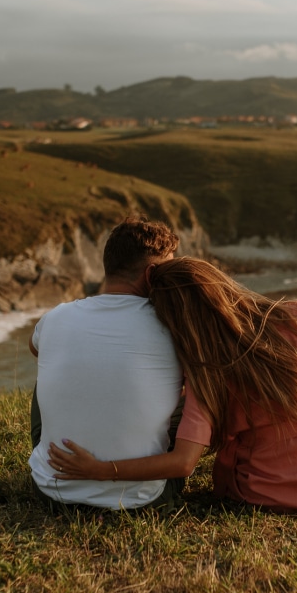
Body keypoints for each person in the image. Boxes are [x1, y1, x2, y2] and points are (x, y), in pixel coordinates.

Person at [47, 257, 297, 512]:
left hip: (266, 493)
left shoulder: (205, 371)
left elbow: (183, 462)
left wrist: (103, 470)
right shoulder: (296, 316)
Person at [26, 217, 186, 511]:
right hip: (142, 499)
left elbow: (35, 348)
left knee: (52, 365)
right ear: (151, 275)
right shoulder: (174, 327)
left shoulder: (56, 317)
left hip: (52, 491)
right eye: (169, 270)